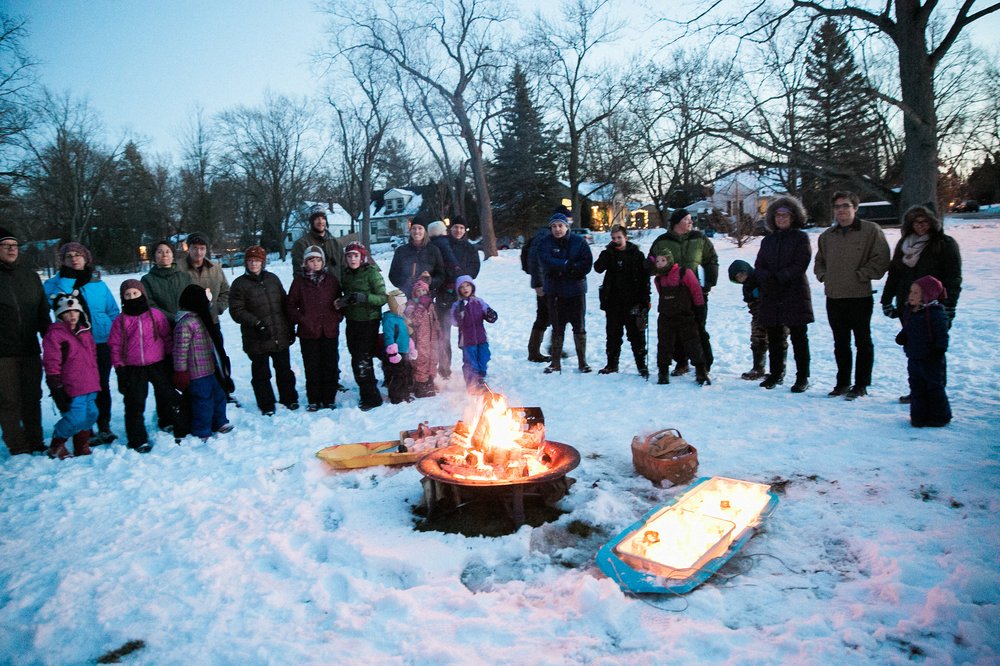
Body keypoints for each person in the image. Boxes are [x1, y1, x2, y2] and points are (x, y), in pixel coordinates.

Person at [880, 204, 962, 403]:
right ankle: (917, 390)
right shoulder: (904, 244)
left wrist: (949, 306)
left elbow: (953, 278)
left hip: (934, 308)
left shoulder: (944, 244)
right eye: (916, 222)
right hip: (908, 306)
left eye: (925, 221)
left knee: (933, 352)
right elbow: (894, 274)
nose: (920, 225)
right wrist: (886, 300)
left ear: (933, 222)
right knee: (914, 350)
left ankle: (935, 391)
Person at [814, 191, 890, 400]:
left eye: (846, 206)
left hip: (859, 296)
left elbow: (881, 259)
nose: (841, 210)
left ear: (855, 208)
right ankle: (842, 382)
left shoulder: (870, 231)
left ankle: (861, 383)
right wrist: (823, 275)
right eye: (837, 207)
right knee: (840, 343)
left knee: (862, 342)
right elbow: (819, 261)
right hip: (835, 297)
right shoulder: (828, 236)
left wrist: (862, 275)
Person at [44, 241, 121, 444]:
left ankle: (103, 425)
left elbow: (112, 311)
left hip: (101, 341)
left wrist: (113, 333)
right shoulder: (55, 283)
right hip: (73, 344)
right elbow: (55, 300)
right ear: (63, 261)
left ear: (86, 258)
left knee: (101, 384)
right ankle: (83, 430)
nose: (74, 258)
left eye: (78, 254)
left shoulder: (97, 283)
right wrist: (68, 279)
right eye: (69, 256)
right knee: (77, 386)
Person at [229, 246, 299, 415]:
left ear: (263, 262)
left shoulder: (272, 279)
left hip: (278, 333)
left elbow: (284, 304)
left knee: (284, 370)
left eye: (257, 260)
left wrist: (289, 328)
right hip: (256, 336)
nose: (254, 264)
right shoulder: (239, 284)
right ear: (246, 263)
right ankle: (266, 404)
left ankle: (289, 399)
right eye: (251, 261)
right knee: (261, 373)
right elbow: (236, 310)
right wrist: (256, 323)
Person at [107, 279, 176, 453]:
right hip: (133, 367)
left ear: (142, 294)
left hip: (157, 362)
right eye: (127, 295)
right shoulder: (120, 321)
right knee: (134, 402)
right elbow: (115, 346)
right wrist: (120, 368)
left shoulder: (155, 315)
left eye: (135, 293)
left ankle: (167, 421)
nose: (132, 297)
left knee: (165, 394)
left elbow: (166, 336)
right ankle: (137, 438)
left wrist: (169, 357)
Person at [648, 208, 719, 375]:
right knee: (675, 330)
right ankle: (681, 363)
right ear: (677, 222)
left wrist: (709, 282)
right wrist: (651, 266)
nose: (691, 222)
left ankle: (704, 364)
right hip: (672, 294)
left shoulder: (699, 238)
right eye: (687, 219)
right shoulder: (662, 241)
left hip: (696, 292)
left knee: (698, 327)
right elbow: (652, 260)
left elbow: (711, 260)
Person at [754, 197, 814, 393]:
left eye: (785, 215)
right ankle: (776, 373)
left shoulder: (800, 238)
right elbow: (759, 265)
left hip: (794, 293)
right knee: (774, 336)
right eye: (778, 215)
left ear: (793, 216)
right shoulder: (768, 240)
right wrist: (767, 278)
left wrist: (780, 277)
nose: (781, 218)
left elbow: (800, 264)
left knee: (798, 337)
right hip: (772, 294)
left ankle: (802, 377)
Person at [0, 227, 50, 455]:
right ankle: (17, 445)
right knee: (9, 400)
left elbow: (42, 311)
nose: (12, 249)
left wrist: (49, 337)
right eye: (6, 245)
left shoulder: (29, 276)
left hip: (29, 347)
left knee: (33, 397)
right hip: (3, 353)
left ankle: (36, 440)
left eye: (15, 245)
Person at [42, 292, 100, 459]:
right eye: (67, 312)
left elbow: (92, 356)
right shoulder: (55, 335)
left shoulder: (85, 332)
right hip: (72, 386)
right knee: (75, 417)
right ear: (60, 315)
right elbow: (52, 362)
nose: (72, 315)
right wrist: (55, 384)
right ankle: (57, 442)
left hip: (90, 383)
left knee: (91, 414)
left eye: (75, 311)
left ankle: (80, 443)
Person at [535, 212, 594, 373]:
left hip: (576, 291)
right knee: (557, 327)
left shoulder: (579, 242)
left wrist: (568, 269)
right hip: (555, 292)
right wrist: (567, 264)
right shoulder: (545, 243)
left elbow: (586, 263)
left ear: (566, 226)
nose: (557, 229)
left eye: (560, 225)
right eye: (554, 226)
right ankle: (555, 362)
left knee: (579, 327)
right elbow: (546, 261)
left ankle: (582, 362)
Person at [181, 232, 236, 401]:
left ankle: (224, 390)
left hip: (212, 322)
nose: (198, 252)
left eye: (202, 248)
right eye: (195, 248)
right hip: (190, 326)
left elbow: (226, 291)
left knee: (218, 357)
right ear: (188, 248)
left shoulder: (215, 269)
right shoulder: (179, 269)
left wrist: (218, 308)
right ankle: (199, 396)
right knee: (196, 363)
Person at [173, 285, 232, 441]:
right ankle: (202, 430)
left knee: (219, 395)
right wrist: (181, 372)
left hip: (210, 369)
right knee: (203, 402)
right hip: (196, 372)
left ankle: (219, 422)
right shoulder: (186, 323)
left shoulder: (202, 318)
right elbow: (180, 351)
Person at [287, 245, 342, 411]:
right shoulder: (299, 282)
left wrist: (337, 316)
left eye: (318, 260)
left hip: (329, 330)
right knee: (312, 366)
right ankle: (314, 399)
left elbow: (340, 301)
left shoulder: (331, 280)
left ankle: (329, 398)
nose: (315, 263)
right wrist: (301, 320)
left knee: (330, 365)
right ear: (305, 263)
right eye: (311, 260)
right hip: (308, 332)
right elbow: (290, 305)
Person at [594, 225, 650, 377]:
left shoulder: (637, 255)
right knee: (612, 334)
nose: (616, 240)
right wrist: (606, 254)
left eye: (619, 237)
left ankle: (641, 365)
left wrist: (646, 300)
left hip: (633, 301)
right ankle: (612, 364)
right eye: (613, 238)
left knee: (636, 336)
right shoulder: (609, 253)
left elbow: (645, 279)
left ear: (626, 237)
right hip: (613, 301)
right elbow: (597, 268)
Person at [895, 275, 951, 427]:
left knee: (934, 387)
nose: (911, 296)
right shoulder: (911, 311)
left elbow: (942, 335)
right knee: (916, 386)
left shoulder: (936, 313)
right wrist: (902, 336)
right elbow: (908, 328)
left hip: (932, 359)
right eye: (911, 292)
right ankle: (918, 416)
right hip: (914, 357)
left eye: (916, 293)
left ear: (927, 295)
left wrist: (939, 350)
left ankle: (940, 416)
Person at [336, 242, 387, 411]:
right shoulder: (346, 274)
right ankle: (368, 389)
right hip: (352, 321)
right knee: (356, 357)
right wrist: (343, 301)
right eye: (349, 256)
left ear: (362, 257)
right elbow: (345, 294)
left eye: (356, 255)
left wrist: (364, 297)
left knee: (361, 360)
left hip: (369, 321)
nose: (352, 259)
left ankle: (371, 398)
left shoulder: (372, 273)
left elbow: (382, 298)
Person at [651, 251, 710, 386]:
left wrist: (700, 309)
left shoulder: (684, 273)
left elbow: (696, 291)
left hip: (685, 315)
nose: (660, 264)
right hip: (666, 316)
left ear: (670, 261)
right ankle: (663, 371)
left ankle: (701, 371)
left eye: (663, 261)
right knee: (664, 344)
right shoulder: (658, 279)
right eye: (658, 261)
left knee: (693, 343)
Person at [524, 205, 571, 363]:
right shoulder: (544, 236)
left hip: (550, 283)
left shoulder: (547, 234)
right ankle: (543, 349)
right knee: (552, 316)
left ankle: (535, 350)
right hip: (545, 285)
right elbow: (534, 260)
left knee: (545, 316)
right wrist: (538, 284)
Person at [728, 259, 787, 381]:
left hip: (776, 314)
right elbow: (750, 302)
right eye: (737, 277)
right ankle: (758, 368)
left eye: (742, 274)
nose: (741, 278)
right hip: (758, 316)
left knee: (777, 341)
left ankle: (779, 371)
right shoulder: (746, 287)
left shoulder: (761, 278)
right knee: (757, 339)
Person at [450, 274, 498, 392]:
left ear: (472, 287)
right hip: (467, 340)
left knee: (484, 357)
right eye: (462, 287)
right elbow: (454, 322)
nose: (465, 288)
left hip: (481, 338)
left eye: (467, 285)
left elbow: (488, 314)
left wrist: (491, 315)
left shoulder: (479, 302)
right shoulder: (457, 305)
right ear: (458, 290)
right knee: (470, 361)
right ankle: (472, 382)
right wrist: (459, 313)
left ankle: (480, 378)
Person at [427, 220, 462, 380]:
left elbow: (451, 266)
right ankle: (444, 366)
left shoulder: (437, 245)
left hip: (444, 293)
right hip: (445, 292)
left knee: (443, 331)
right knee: (443, 331)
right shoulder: (444, 243)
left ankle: (444, 366)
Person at [388, 219, 445, 299]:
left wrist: (430, 281)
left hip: (430, 297)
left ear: (425, 231)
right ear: (410, 231)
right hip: (408, 297)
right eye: (414, 228)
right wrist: (406, 282)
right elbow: (393, 275)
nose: (417, 231)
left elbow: (441, 274)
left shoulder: (433, 250)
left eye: (420, 228)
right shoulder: (401, 251)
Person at [404, 277, 440, 398]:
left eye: (423, 291)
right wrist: (420, 307)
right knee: (421, 362)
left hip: (432, 338)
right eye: (418, 291)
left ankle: (429, 382)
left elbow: (435, 320)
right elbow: (412, 321)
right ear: (414, 293)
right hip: (419, 340)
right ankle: (420, 385)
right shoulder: (411, 305)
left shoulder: (431, 305)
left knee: (432, 360)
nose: (421, 294)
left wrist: (438, 330)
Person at [142, 240, 193, 320]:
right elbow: (150, 305)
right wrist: (172, 318)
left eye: (167, 251)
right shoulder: (147, 280)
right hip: (160, 325)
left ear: (173, 255)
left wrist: (185, 317)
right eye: (160, 252)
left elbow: (192, 300)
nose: (164, 255)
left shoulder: (185, 277)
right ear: (154, 256)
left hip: (185, 325)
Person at [291, 204, 343, 280]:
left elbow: (344, 269)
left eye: (323, 218)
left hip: (335, 289)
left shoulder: (336, 243)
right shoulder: (301, 244)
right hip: (312, 290)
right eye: (317, 218)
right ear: (312, 221)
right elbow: (298, 273)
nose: (320, 221)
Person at [382, 289, 413, 404]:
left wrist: (411, 346)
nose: (404, 307)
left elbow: (405, 334)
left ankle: (404, 394)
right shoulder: (390, 320)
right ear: (395, 305)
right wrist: (392, 352)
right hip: (395, 354)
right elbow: (389, 336)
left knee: (404, 373)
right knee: (397, 375)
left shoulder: (401, 318)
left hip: (403, 352)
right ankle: (396, 397)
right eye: (402, 304)